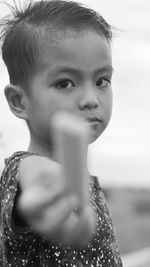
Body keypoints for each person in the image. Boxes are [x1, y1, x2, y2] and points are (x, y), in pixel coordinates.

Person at [0, 0, 123, 266]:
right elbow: (33, 175)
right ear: (20, 102)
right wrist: (45, 186)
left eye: (102, 80)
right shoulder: (25, 169)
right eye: (65, 83)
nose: (91, 99)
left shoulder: (83, 180)